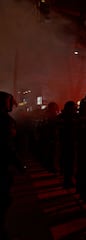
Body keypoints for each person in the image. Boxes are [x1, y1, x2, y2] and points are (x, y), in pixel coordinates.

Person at [0, 91, 24, 239]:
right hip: (2, 165)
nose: (12, 104)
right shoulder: (4, 120)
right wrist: (18, 164)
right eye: (9, 101)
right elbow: (6, 146)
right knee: (3, 198)